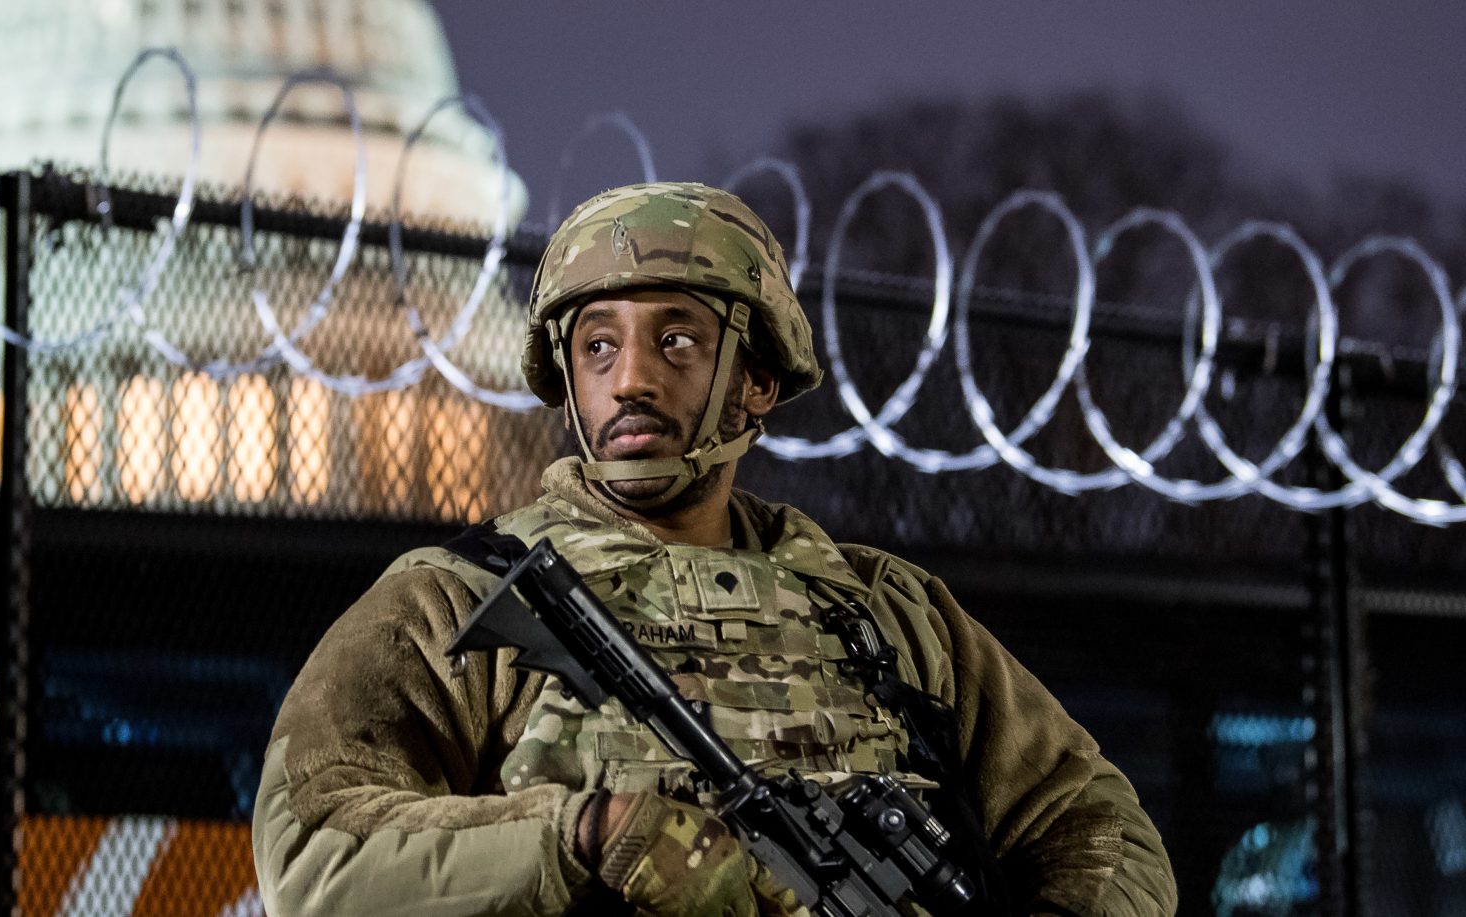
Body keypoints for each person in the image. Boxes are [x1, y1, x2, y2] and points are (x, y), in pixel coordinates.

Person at [252, 182, 1176, 916]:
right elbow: (314, 851)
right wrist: (582, 834)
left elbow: (1094, 825)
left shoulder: (889, 613)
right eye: (598, 347)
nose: (632, 380)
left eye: (679, 339)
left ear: (757, 378)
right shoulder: (454, 601)